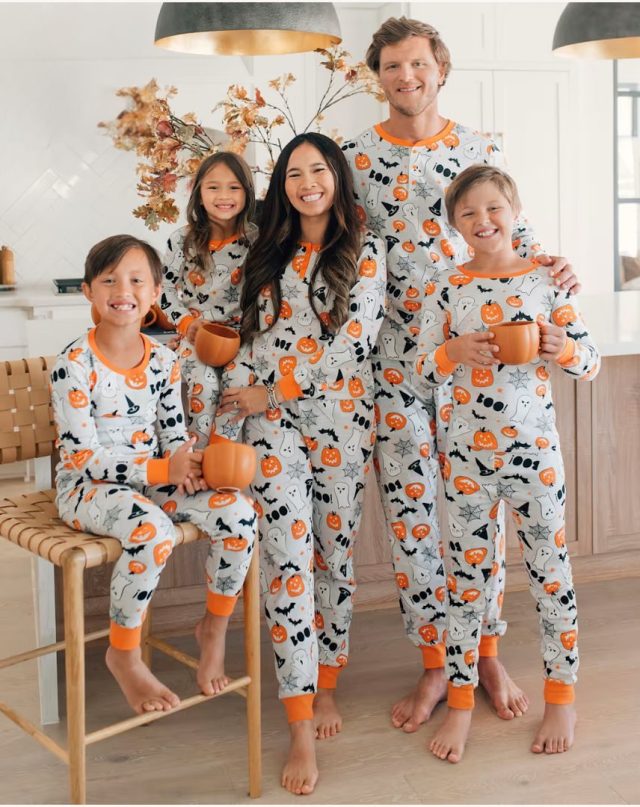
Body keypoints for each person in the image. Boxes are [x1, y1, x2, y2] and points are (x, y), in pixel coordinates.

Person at [341, 15, 581, 731]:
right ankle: (435, 668)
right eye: (391, 67)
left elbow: (514, 233)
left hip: (482, 367)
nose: (406, 77)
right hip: (394, 365)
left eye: (418, 64)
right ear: (376, 76)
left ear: (441, 68)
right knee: (416, 521)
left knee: (481, 521)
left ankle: (484, 655)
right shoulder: (352, 157)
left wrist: (555, 265)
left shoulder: (482, 147)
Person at [213, 132, 386, 795]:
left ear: (337, 177)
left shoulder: (369, 249)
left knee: (332, 558)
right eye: (292, 173)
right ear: (279, 185)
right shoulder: (267, 248)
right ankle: (298, 722)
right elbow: (248, 339)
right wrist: (238, 414)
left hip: (342, 422)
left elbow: (355, 341)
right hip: (271, 427)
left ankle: (329, 683)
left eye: (318, 170)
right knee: (288, 561)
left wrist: (276, 387)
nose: (307, 181)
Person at [412, 163, 599, 762]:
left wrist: (562, 347)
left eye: (493, 208)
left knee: (551, 578)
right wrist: (450, 351)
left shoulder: (548, 282)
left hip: (536, 460)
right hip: (464, 461)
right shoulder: (445, 285)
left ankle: (561, 697)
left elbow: (588, 363)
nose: (482, 220)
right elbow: (417, 370)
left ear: (515, 211)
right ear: (455, 225)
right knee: (466, 588)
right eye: (467, 213)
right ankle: (462, 704)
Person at [50, 234, 257, 714]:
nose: (123, 289)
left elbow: (173, 434)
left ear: (156, 292)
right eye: (109, 280)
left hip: (152, 484)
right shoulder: (73, 366)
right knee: (153, 530)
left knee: (240, 514)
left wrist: (190, 466)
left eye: (137, 279)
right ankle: (122, 653)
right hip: (87, 491)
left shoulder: (165, 360)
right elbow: (82, 456)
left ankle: (214, 627)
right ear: (88, 292)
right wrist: (165, 466)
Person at [160, 152, 257, 447]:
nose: (223, 195)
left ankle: (221, 450)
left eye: (233, 187)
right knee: (203, 384)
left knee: (238, 381)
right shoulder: (182, 241)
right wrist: (186, 323)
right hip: (196, 337)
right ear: (199, 194)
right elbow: (163, 289)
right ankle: (197, 451)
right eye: (213, 187)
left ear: (247, 193)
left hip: (243, 337)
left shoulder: (258, 240)